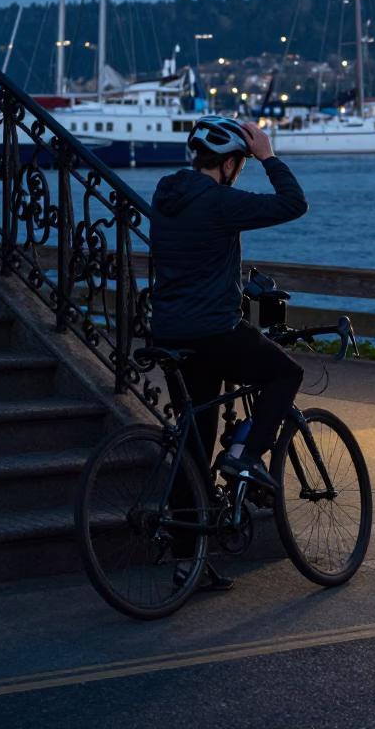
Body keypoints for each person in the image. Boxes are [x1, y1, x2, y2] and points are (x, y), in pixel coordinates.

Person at [150, 115, 308, 497]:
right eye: (238, 164)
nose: (237, 172)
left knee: (198, 437)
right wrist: (268, 156)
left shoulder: (165, 192)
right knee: (286, 373)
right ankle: (248, 457)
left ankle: (186, 538)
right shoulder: (222, 202)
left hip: (169, 327)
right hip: (213, 330)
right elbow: (294, 203)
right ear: (227, 163)